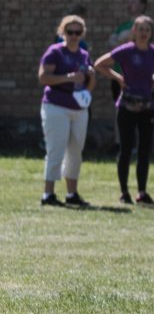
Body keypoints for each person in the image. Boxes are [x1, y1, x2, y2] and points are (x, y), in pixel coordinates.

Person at [94, 15, 154, 205]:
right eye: (140, 29)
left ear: (151, 33)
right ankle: (124, 192)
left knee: (145, 151)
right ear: (134, 32)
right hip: (127, 106)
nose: (144, 33)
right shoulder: (126, 51)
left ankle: (142, 192)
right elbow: (99, 64)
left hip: (147, 107)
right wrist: (118, 78)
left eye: (147, 29)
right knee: (126, 149)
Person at [38, 15, 95, 208]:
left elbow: (88, 85)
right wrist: (68, 77)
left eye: (77, 32)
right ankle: (48, 193)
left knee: (76, 151)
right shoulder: (55, 52)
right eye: (70, 32)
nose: (73, 36)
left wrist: (90, 77)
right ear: (63, 32)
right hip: (56, 105)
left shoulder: (84, 54)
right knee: (56, 149)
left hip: (78, 107)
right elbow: (44, 78)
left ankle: (72, 193)